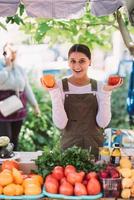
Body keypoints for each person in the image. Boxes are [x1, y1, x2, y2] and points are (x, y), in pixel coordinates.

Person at [41, 44, 123, 158]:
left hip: (95, 148)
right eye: (73, 61)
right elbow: (60, 124)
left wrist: (106, 92)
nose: (77, 66)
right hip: (69, 150)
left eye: (82, 61)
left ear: (89, 61)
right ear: (68, 62)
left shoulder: (100, 86)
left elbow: (103, 123)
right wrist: (53, 92)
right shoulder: (59, 86)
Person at [0, 43, 40, 150]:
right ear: (4, 53)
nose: (13, 55)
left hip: (18, 108)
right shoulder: (1, 66)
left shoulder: (19, 69)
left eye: (14, 52)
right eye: (10, 52)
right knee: (4, 140)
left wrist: (35, 105)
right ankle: (3, 164)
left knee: (14, 140)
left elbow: (26, 87)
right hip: (3, 109)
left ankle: (13, 164)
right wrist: (8, 68)